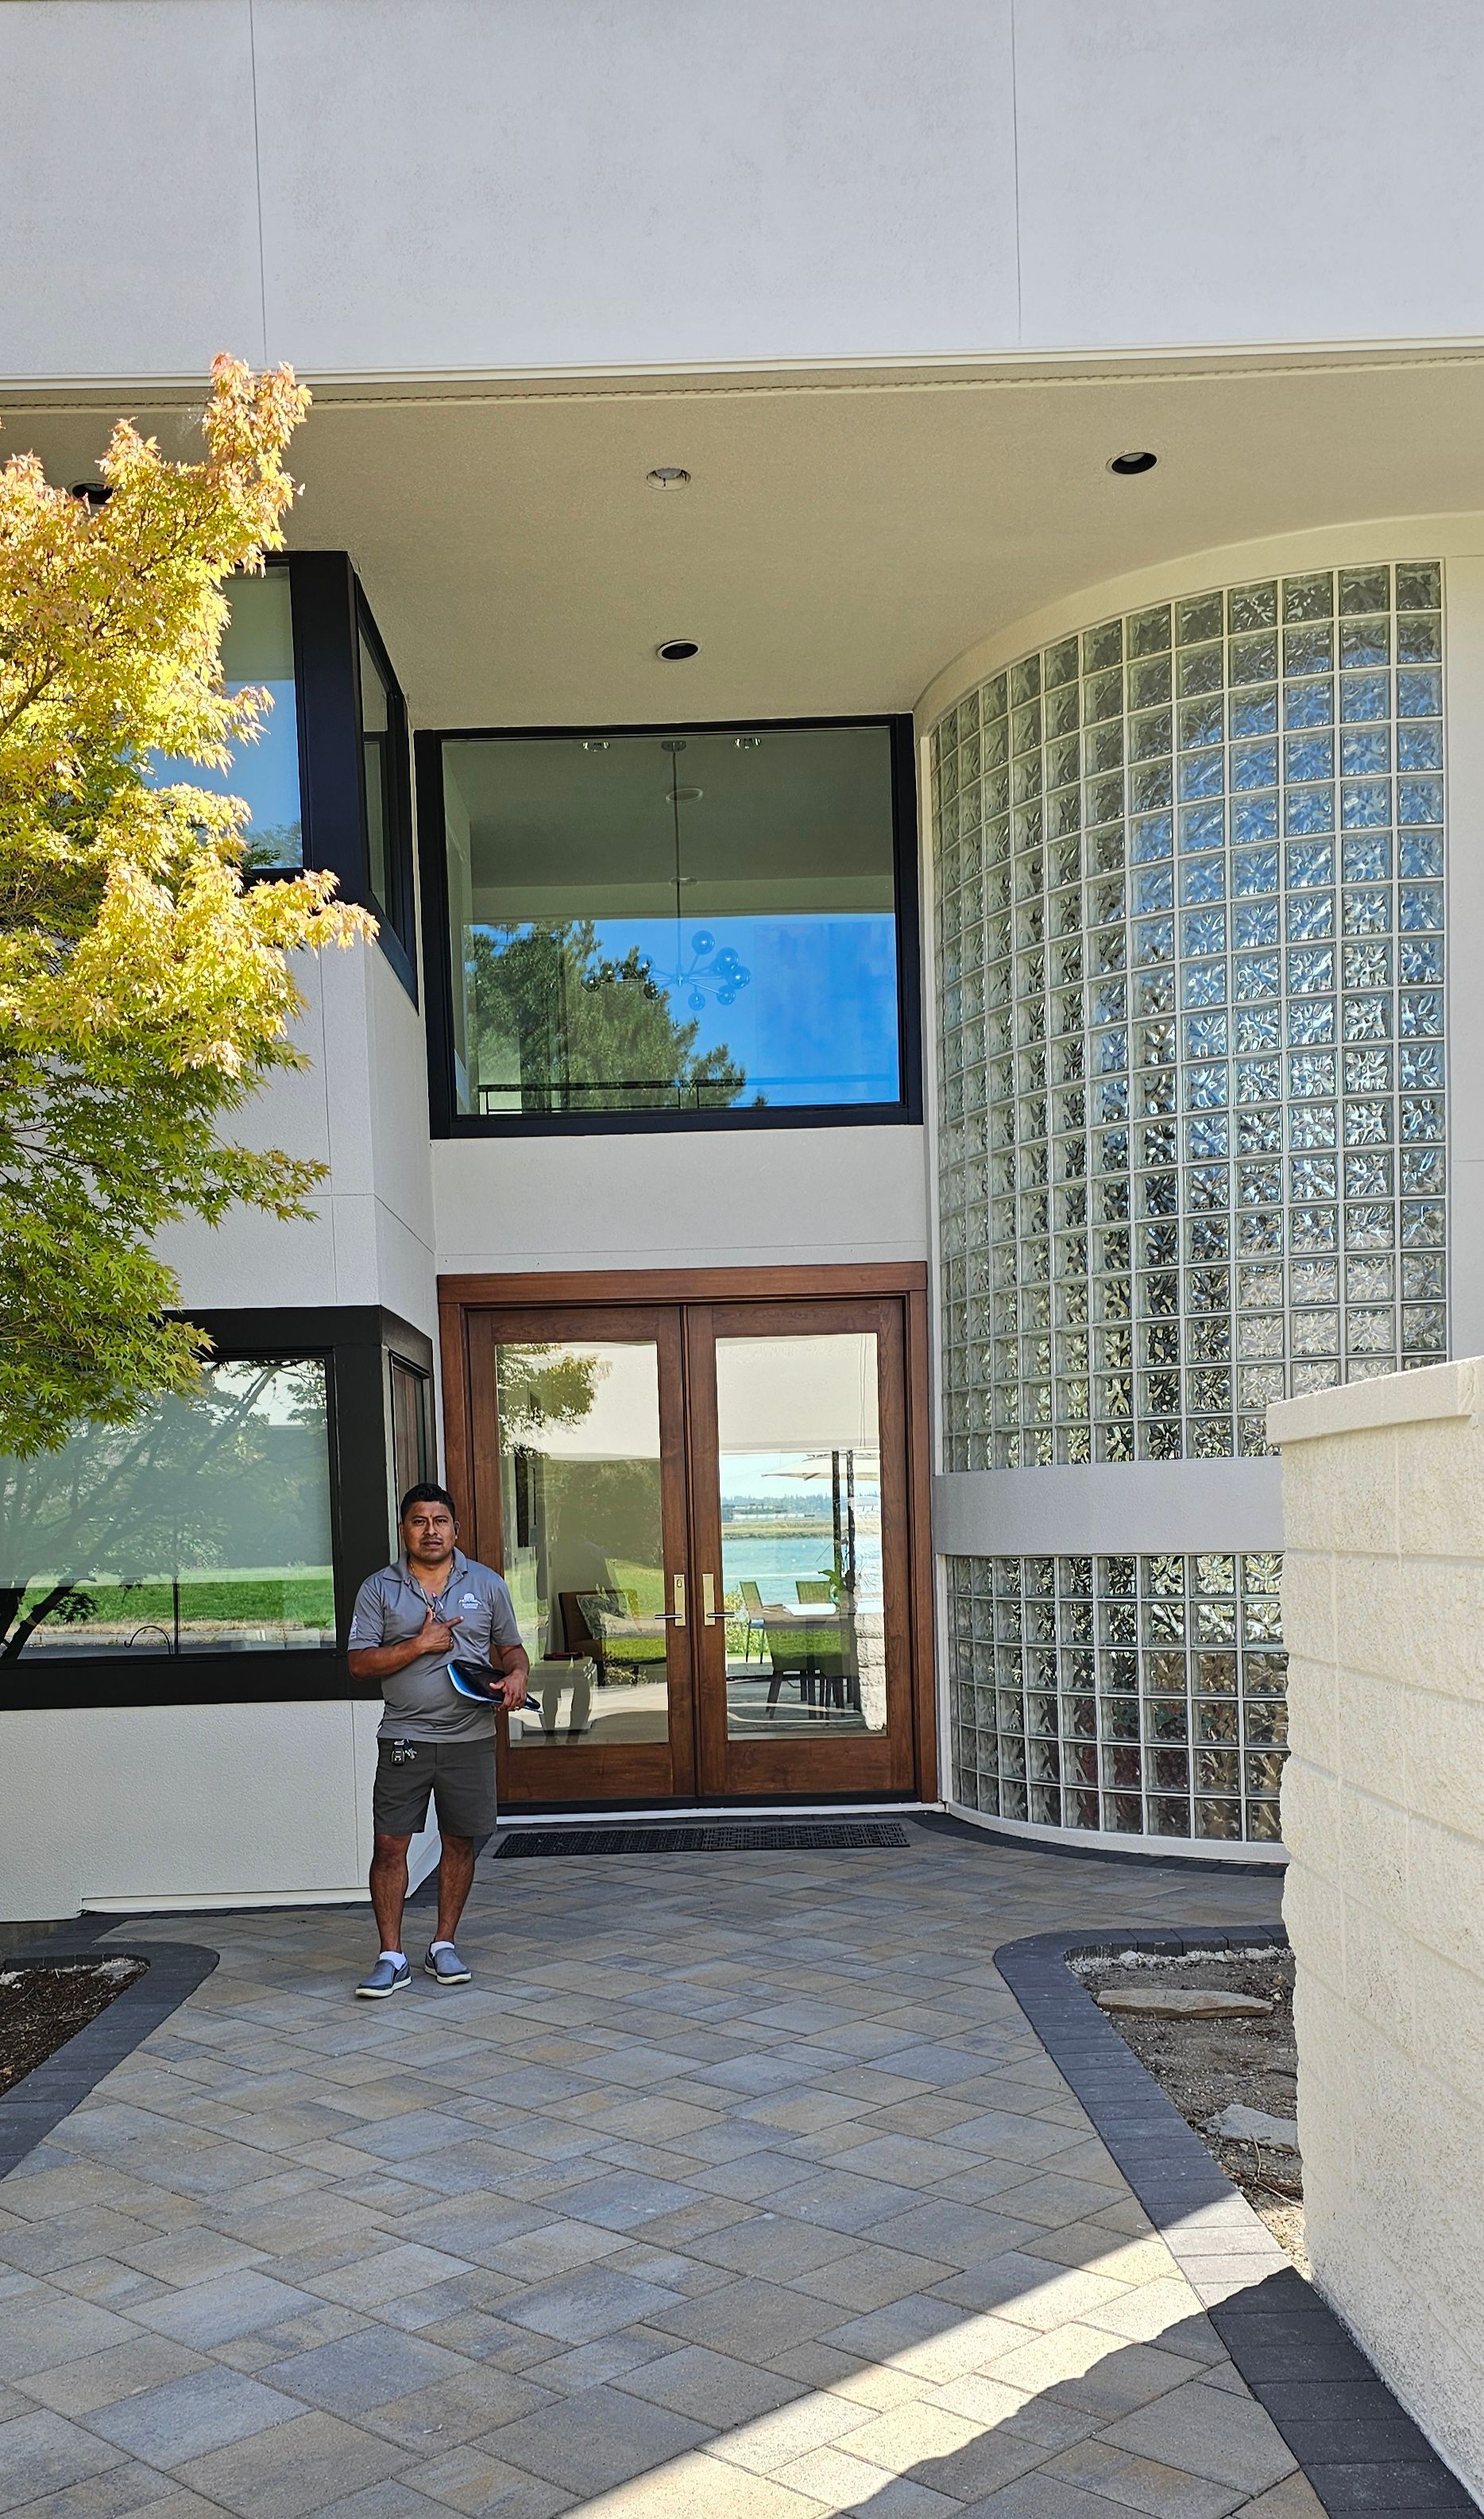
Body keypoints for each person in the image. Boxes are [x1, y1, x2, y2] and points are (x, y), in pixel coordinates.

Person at [346, 1483, 529, 1998]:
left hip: (470, 1739)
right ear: (404, 1529)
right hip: (404, 1737)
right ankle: (391, 1955)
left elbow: (512, 1649)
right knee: (389, 1845)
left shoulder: (487, 1585)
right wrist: (419, 1644)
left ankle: (443, 1944)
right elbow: (359, 1664)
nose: (431, 1530)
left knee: (460, 1842)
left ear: (455, 1527)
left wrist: (517, 1677)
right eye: (419, 1521)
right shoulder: (379, 1589)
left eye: (440, 1520)